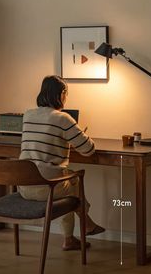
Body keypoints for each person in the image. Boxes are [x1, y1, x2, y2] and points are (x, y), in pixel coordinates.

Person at [19, 75, 105, 250]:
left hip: (24, 186)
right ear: (62, 93)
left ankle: (71, 238)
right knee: (73, 183)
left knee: (67, 179)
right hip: (47, 188)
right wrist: (79, 135)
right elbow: (88, 150)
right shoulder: (63, 119)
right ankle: (85, 224)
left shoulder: (28, 114)